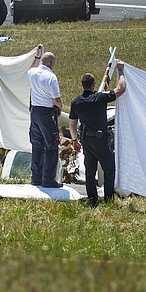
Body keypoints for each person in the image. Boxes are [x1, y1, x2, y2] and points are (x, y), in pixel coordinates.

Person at [69, 62, 127, 207]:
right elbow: (121, 89)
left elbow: (72, 124)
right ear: (93, 84)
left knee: (90, 170)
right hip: (101, 140)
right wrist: (121, 72)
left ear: (83, 85)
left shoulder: (76, 102)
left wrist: (75, 140)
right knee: (109, 169)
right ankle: (108, 199)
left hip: (86, 140)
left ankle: (92, 199)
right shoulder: (100, 98)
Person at [28, 45, 63, 188]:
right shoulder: (51, 77)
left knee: (37, 145)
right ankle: (48, 179)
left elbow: (32, 67)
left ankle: (36, 177)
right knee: (52, 146)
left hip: (34, 111)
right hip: (47, 113)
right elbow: (56, 99)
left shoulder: (32, 72)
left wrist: (37, 56)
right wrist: (60, 108)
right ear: (52, 62)